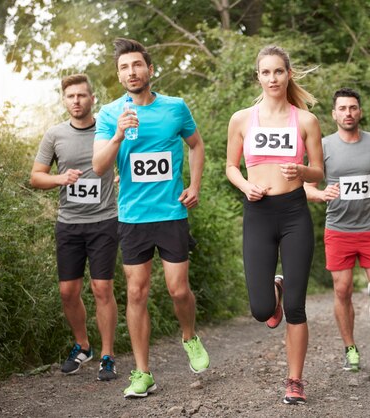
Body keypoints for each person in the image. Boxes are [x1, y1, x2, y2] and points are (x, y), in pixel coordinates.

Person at [92, 38, 209, 398]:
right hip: (133, 217)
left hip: (171, 212)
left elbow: (197, 145)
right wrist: (119, 135)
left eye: (137, 65)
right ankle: (143, 373)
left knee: (177, 289)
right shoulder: (111, 114)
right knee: (136, 292)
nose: (132, 72)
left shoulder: (175, 108)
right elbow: (98, 167)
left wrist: (195, 185)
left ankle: (189, 336)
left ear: (150, 69)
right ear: (118, 74)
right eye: (124, 67)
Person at [226, 45, 323, 405]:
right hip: (259, 212)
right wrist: (245, 185)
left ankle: (295, 380)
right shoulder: (241, 119)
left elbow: (319, 171)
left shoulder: (306, 120)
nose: (272, 79)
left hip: (295, 212)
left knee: (296, 307)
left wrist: (302, 171)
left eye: (278, 72)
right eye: (265, 73)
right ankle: (275, 290)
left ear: (288, 74)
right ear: (258, 77)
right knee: (261, 310)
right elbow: (230, 166)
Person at [30, 74, 119, 381]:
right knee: (68, 291)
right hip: (69, 224)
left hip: (105, 220)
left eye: (82, 95)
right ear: (64, 100)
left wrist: (121, 178)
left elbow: (128, 158)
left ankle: (107, 355)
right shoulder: (55, 135)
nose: (77, 101)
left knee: (101, 288)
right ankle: (83, 346)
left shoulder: (107, 129)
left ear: (92, 99)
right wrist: (60, 178)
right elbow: (36, 177)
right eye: (71, 96)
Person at [304, 88, 370, 373]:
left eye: (353, 108)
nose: (348, 113)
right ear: (334, 114)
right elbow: (305, 185)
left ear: (360, 112)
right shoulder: (323, 146)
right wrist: (320, 194)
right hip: (338, 229)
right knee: (341, 289)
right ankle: (350, 348)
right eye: (342, 108)